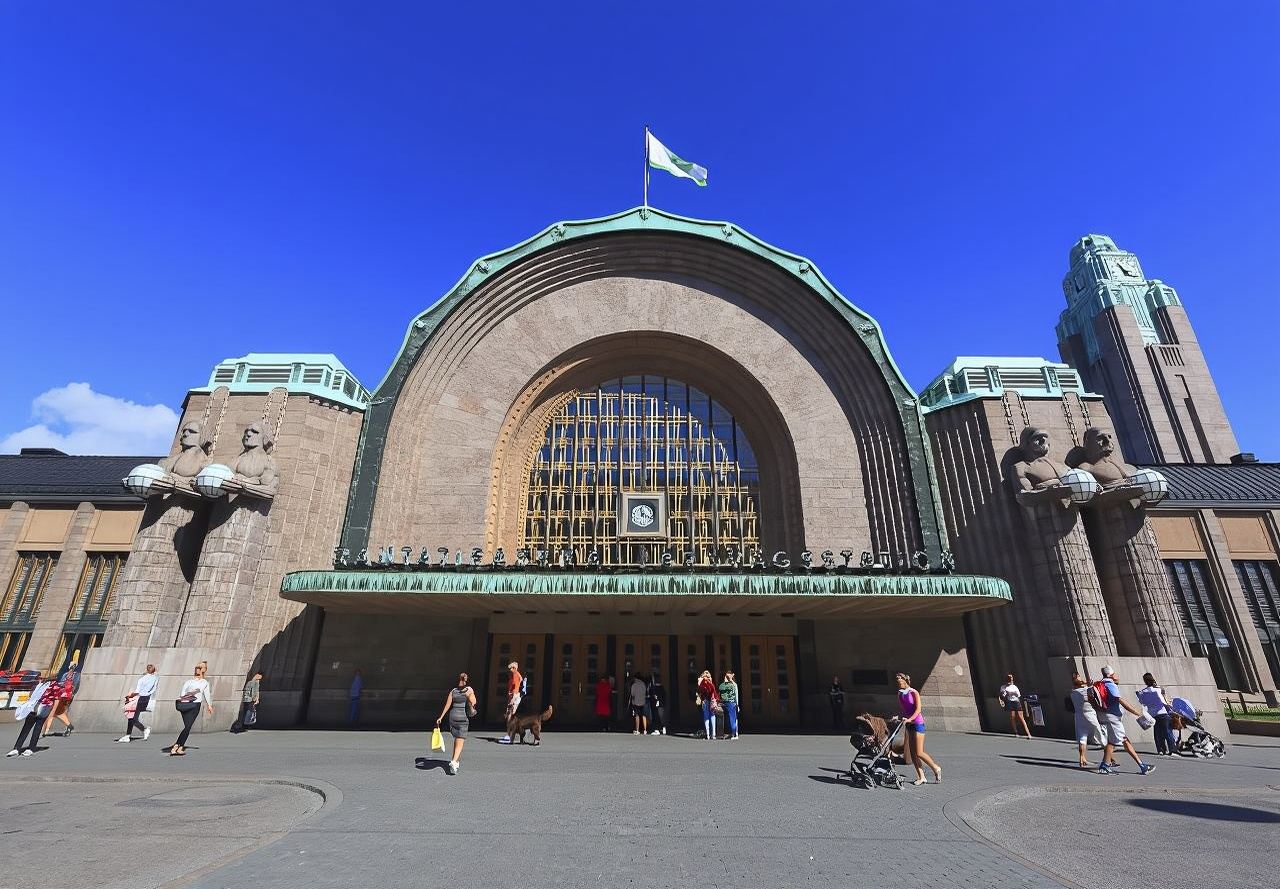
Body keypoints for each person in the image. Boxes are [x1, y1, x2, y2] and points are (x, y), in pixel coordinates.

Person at [1093, 666, 1155, 776]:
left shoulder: (1100, 684)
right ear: (1110, 675)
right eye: (1115, 674)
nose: (1117, 676)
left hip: (1104, 715)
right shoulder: (1110, 684)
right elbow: (1120, 700)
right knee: (1120, 741)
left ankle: (1106, 765)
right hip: (1113, 717)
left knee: (1116, 741)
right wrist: (1135, 711)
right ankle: (1141, 766)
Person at [895, 672, 942, 785]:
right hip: (909, 724)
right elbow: (904, 710)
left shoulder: (914, 692)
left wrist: (910, 719)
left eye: (899, 681)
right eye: (897, 682)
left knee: (919, 752)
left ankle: (936, 768)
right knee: (912, 753)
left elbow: (918, 710)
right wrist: (898, 717)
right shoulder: (900, 694)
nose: (898, 684)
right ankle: (921, 777)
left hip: (917, 723)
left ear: (905, 680)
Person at [434, 672, 477, 775]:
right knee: (460, 740)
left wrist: (441, 717)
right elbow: (473, 701)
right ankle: (453, 762)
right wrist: (470, 699)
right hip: (462, 717)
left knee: (457, 739)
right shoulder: (469, 690)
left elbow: (448, 705)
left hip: (453, 717)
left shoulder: (453, 691)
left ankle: (456, 760)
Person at [168, 661, 214, 756]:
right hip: (186, 705)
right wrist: (191, 694)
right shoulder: (189, 682)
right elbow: (182, 695)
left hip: (195, 706)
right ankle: (177, 746)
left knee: (188, 727)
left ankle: (179, 747)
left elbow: (206, 694)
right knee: (187, 727)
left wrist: (209, 705)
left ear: (204, 670)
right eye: (198, 667)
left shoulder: (204, 682)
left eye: (202, 667)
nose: (199, 669)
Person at [8, 674, 55, 757]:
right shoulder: (38, 685)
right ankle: (19, 748)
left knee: (34, 729)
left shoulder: (53, 685)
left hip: (42, 709)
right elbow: (31, 696)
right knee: (29, 728)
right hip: (33, 708)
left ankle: (28, 748)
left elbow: (55, 699)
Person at [1068, 672, 1103, 768]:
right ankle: (1110, 758)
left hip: (1079, 715)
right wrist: (1088, 684)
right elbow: (1093, 698)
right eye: (1079, 677)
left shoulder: (1073, 692)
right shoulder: (1085, 690)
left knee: (1082, 737)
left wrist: (1086, 683)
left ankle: (1082, 758)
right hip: (1089, 714)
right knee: (1100, 734)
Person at [1137, 672, 1176, 757]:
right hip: (1163, 713)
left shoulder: (1142, 692)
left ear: (1145, 681)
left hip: (1153, 715)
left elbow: (1142, 702)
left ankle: (1161, 750)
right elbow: (1164, 701)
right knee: (1168, 732)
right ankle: (1172, 750)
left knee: (1158, 733)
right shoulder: (1158, 689)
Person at [117, 664, 158, 743]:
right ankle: (139, 731)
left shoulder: (142, 679)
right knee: (134, 718)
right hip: (147, 698)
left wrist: (130, 696)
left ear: (146, 670)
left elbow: (137, 691)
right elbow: (154, 689)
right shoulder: (155, 678)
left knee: (131, 717)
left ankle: (131, 734)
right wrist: (148, 693)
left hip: (139, 699)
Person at [42, 662, 80, 737]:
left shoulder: (76, 675)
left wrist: (71, 693)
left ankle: (45, 731)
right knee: (57, 712)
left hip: (65, 696)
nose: (71, 667)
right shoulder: (67, 675)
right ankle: (69, 726)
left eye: (73, 666)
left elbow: (75, 685)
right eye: (71, 666)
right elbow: (62, 683)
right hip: (62, 695)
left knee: (53, 712)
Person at [999, 673, 1032, 738]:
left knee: (1021, 718)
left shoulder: (1014, 687)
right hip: (1009, 702)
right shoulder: (1003, 687)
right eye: (1009, 679)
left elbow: (1018, 695)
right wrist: (1005, 696)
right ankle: (1016, 732)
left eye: (1011, 679)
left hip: (1016, 702)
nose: (1010, 681)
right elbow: (1002, 695)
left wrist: (1013, 693)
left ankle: (1028, 734)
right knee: (1012, 717)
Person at [499, 660, 523, 743]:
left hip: (514, 696)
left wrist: (512, 700)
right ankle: (510, 734)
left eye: (511, 668)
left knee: (509, 717)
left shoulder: (515, 675)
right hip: (514, 696)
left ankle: (510, 735)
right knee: (510, 716)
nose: (510, 670)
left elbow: (515, 688)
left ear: (515, 668)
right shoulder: (517, 675)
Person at [696, 670, 719, 741]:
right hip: (705, 701)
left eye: (707, 676)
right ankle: (709, 734)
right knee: (707, 717)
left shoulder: (709, 683)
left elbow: (713, 691)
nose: (706, 677)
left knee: (711, 716)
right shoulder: (703, 683)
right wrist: (700, 682)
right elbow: (700, 690)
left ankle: (712, 734)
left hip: (710, 701)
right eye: (705, 676)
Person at [718, 671, 740, 739]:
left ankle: (734, 733)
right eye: (726, 676)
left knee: (733, 718)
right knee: (727, 719)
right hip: (724, 702)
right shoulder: (722, 685)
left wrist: (737, 705)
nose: (727, 677)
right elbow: (720, 694)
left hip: (732, 702)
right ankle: (729, 733)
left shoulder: (733, 684)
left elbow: (736, 695)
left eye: (728, 676)